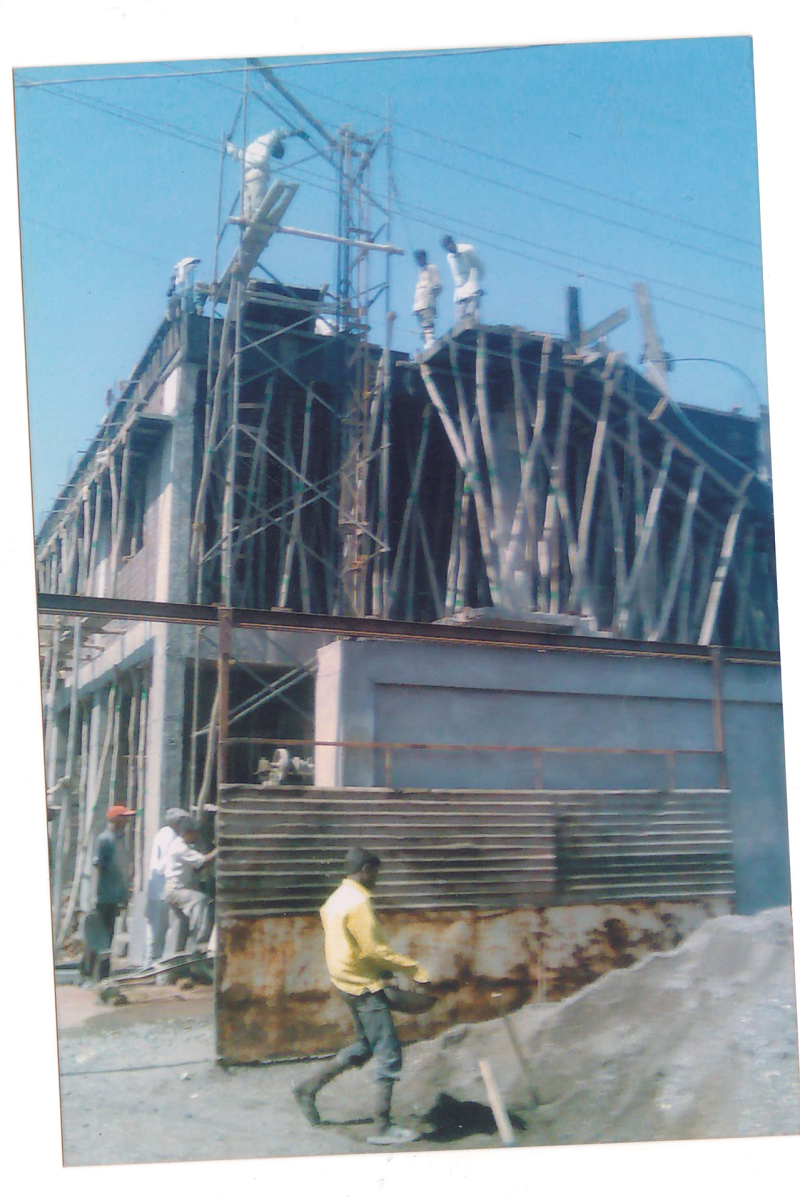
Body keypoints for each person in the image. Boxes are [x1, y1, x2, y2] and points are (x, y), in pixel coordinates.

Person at [292, 846, 430, 1146]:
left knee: (365, 1046)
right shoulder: (359, 902)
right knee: (389, 1054)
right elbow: (373, 949)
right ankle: (382, 1127)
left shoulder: (336, 899)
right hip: (364, 987)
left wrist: (382, 972)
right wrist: (415, 969)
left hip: (346, 982)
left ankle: (307, 1088)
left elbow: (351, 946)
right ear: (366, 870)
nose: (377, 879)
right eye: (376, 872)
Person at [80, 804, 135, 981]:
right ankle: (87, 974)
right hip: (103, 897)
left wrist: (124, 894)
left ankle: (103, 975)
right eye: (124, 817)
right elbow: (99, 868)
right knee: (96, 936)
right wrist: (95, 896)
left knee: (108, 937)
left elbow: (121, 869)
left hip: (113, 897)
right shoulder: (105, 840)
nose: (127, 821)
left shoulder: (119, 839)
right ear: (115, 819)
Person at [142, 808, 190, 969]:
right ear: (177, 823)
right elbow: (166, 862)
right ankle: (149, 966)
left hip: (160, 888)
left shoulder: (169, 834)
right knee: (156, 930)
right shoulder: (168, 835)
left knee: (159, 930)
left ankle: (153, 965)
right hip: (159, 887)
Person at [162, 815, 217, 952]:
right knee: (201, 900)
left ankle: (177, 956)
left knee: (180, 927)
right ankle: (198, 941)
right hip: (175, 891)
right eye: (195, 833)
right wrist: (221, 849)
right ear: (186, 833)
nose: (197, 836)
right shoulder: (180, 847)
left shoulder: (182, 845)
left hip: (174, 890)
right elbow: (203, 861)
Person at [226, 129, 289, 223]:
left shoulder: (250, 149)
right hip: (257, 173)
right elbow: (277, 133)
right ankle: (258, 219)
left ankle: (247, 219)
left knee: (247, 203)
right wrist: (294, 133)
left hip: (246, 177)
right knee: (258, 201)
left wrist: (227, 144)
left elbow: (236, 152)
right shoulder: (267, 140)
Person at [441, 234, 484, 323]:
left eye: (448, 245)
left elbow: (479, 267)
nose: (448, 249)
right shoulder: (449, 257)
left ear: (452, 243)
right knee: (460, 319)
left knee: (472, 315)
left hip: (472, 287)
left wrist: (476, 282)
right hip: (460, 291)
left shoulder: (467, 250)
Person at [412, 250, 442, 349]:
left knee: (428, 325)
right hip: (419, 304)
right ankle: (427, 344)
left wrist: (430, 297)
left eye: (419, 258)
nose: (418, 261)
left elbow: (437, 285)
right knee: (423, 328)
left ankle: (430, 343)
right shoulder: (421, 272)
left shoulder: (431, 268)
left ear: (424, 257)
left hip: (427, 303)